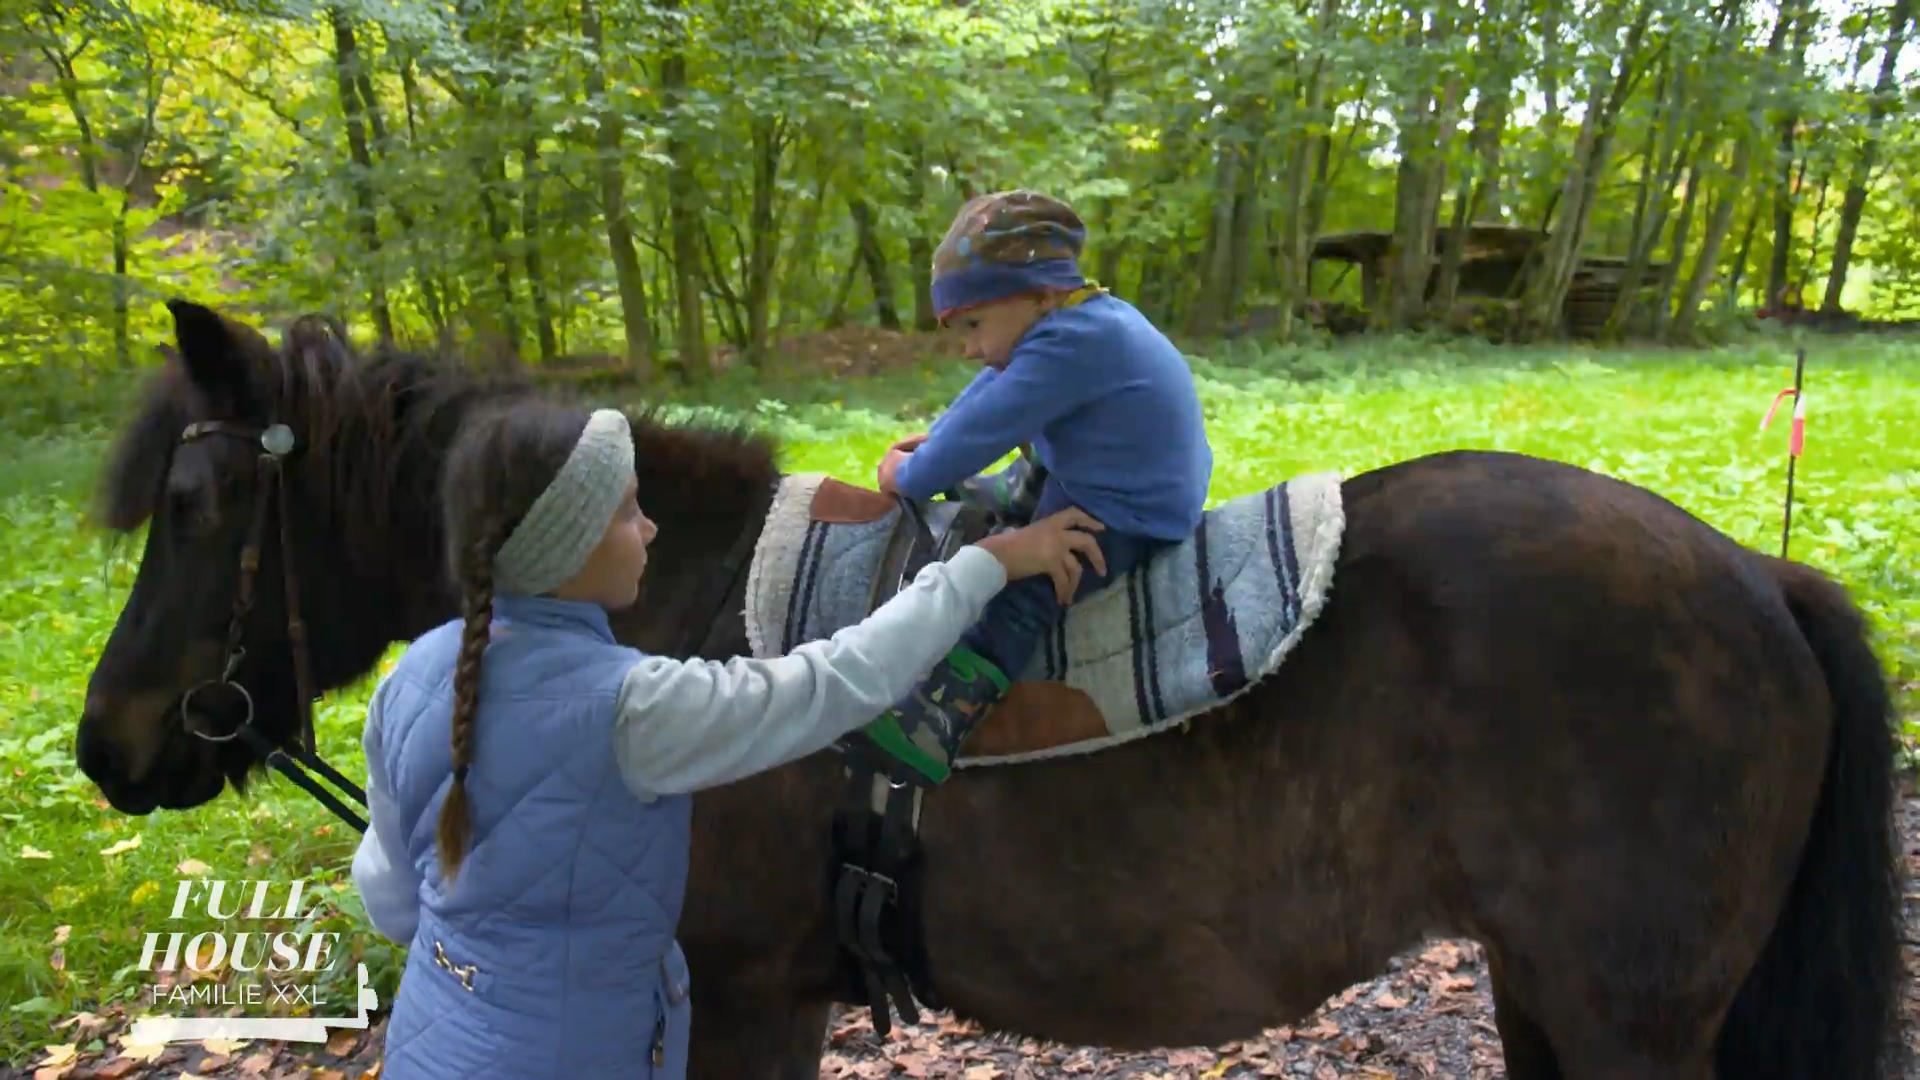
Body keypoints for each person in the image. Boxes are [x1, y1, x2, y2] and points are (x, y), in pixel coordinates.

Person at [348, 400, 1105, 1080]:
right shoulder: (634, 709)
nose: (650, 529)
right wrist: (983, 566)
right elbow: (838, 682)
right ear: (567, 548)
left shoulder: (415, 676)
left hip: (432, 1042)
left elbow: (389, 896)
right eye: (628, 511)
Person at [857, 189, 1213, 785]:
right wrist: (938, 439)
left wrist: (909, 475)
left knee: (1028, 587)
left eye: (974, 325)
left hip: (1128, 509)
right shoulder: (1078, 321)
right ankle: (1018, 491)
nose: (970, 347)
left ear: (1041, 294)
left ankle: (939, 718)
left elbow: (988, 425)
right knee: (1040, 461)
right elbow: (991, 394)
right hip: (1123, 468)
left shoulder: (1070, 346)